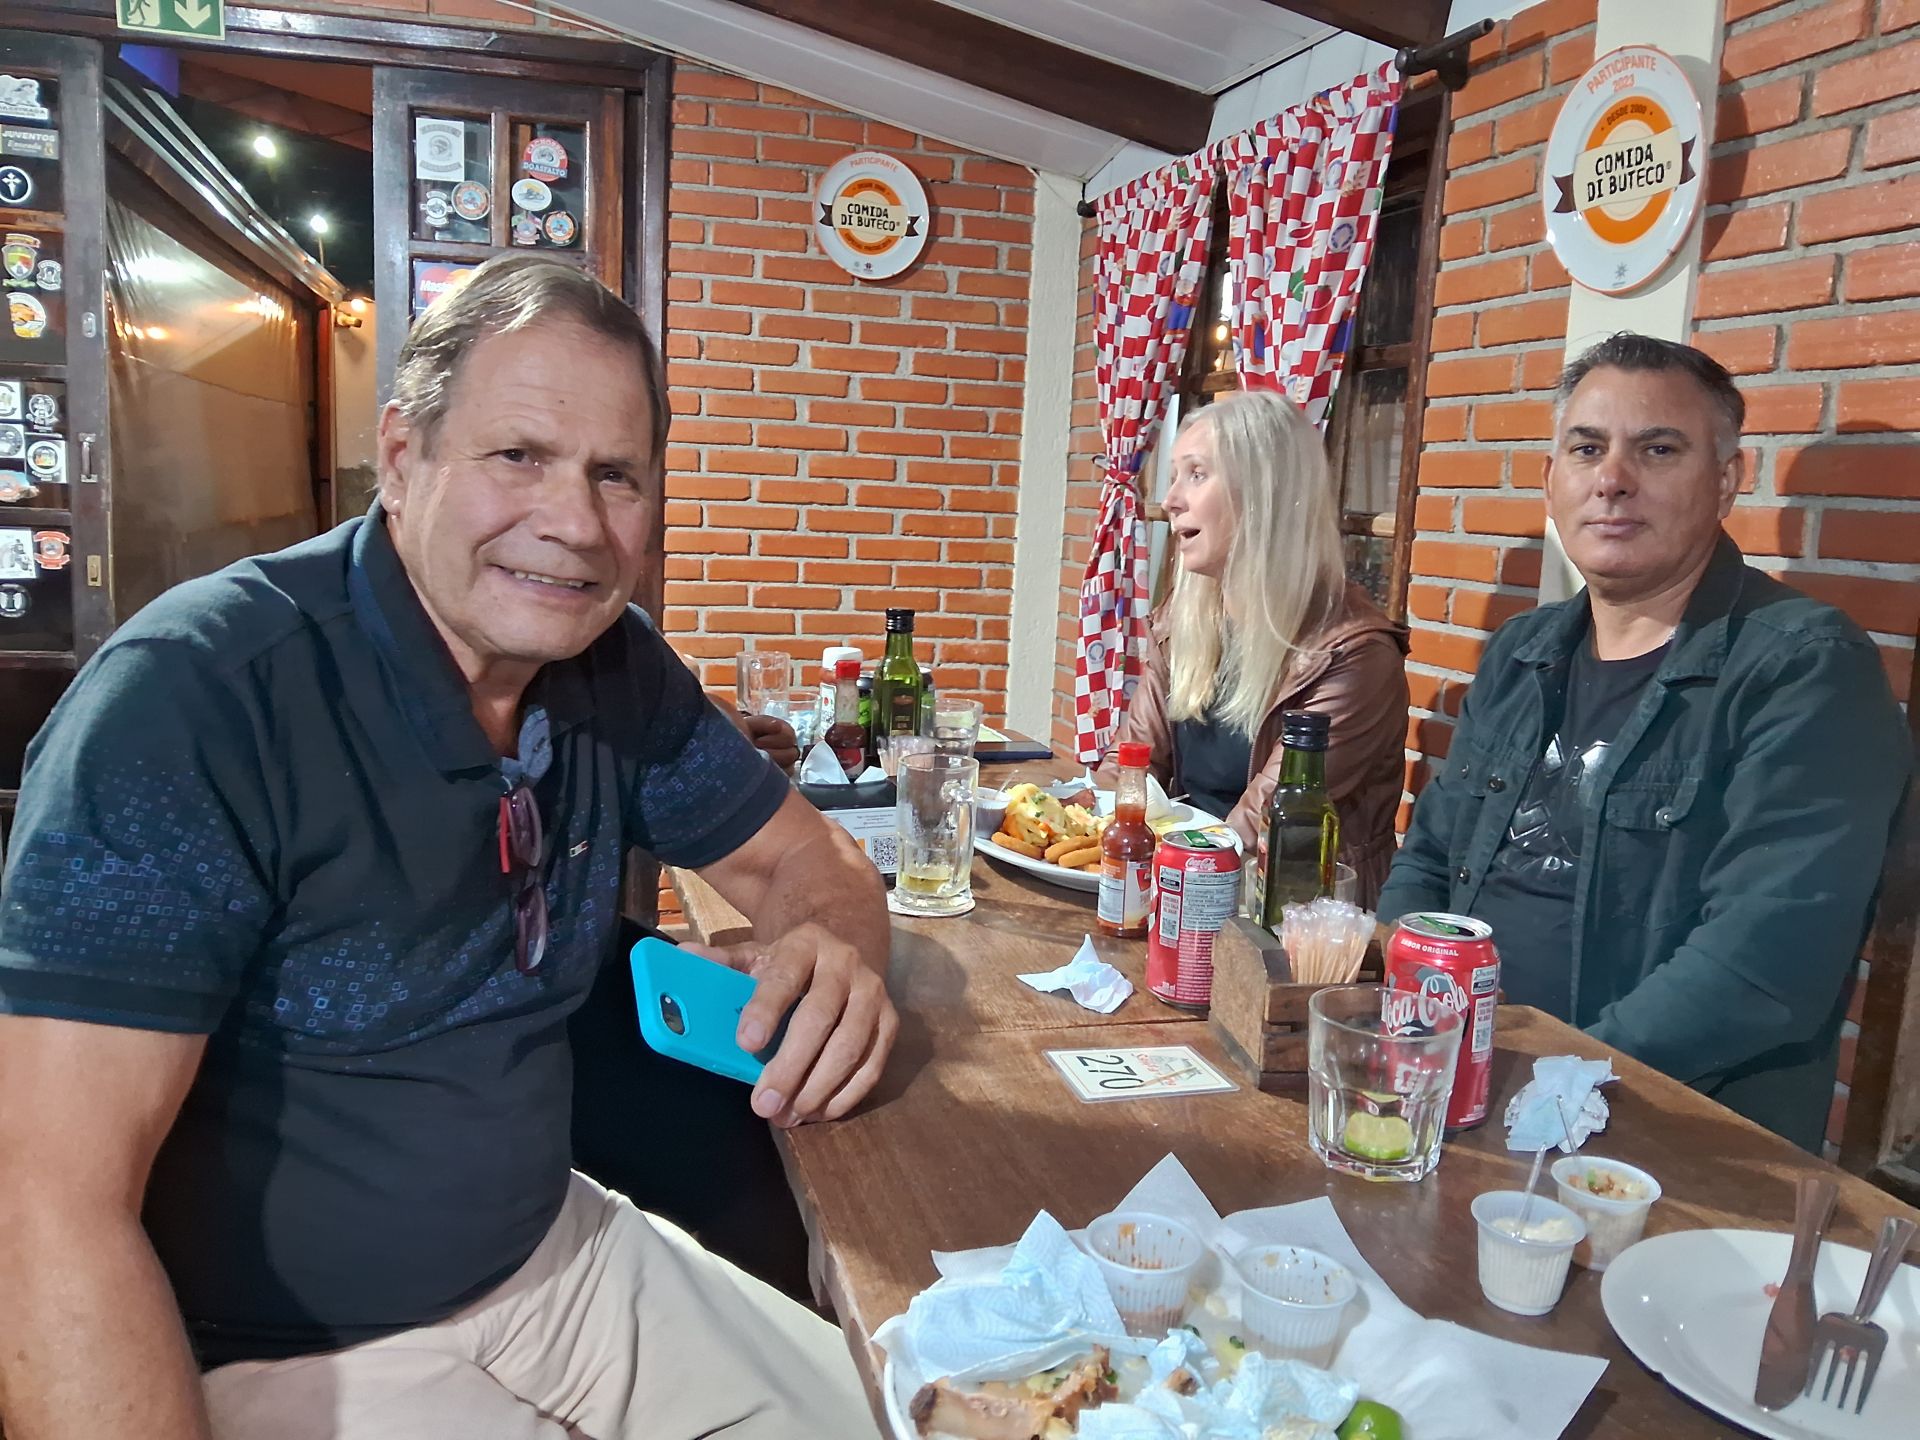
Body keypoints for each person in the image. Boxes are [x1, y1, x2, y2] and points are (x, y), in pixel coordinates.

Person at [0, 254, 896, 1439]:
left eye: (616, 475)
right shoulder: (194, 699)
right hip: (289, 1354)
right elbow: (43, 1209)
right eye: (518, 455)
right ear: (402, 456)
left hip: (556, 1252)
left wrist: (833, 945)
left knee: (910, 1416)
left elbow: (807, 859)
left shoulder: (612, 666)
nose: (574, 524)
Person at [1379, 333, 1911, 1152]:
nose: (1613, 479)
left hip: (1647, 1139)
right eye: (1587, 449)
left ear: (1726, 480)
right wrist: (1406, 1010)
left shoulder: (1805, 668)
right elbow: (1428, 859)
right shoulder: (1522, 651)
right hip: (1447, 1079)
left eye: (1658, 449)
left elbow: (1764, 964)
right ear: (1551, 480)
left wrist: (1546, 1079)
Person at [1107, 387, 1409, 905]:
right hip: (1182, 882)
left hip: (1290, 913)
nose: (1171, 499)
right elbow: (1130, 765)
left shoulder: (1352, 653)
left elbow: (1259, 827)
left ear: (1263, 495)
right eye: (1175, 475)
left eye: (1196, 475)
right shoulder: (1183, 619)